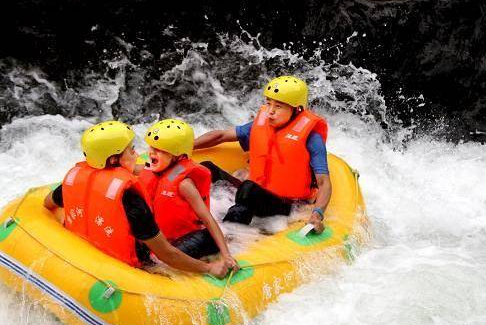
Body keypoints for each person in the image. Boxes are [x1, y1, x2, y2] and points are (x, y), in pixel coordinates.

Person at [43, 120, 230, 277]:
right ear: (114, 160)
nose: (137, 154)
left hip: (90, 249)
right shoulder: (131, 200)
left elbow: (47, 203)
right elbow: (167, 254)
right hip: (133, 262)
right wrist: (209, 268)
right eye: (131, 150)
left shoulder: (74, 180)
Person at [193, 75, 332, 232]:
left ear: (296, 109)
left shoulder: (312, 138)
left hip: (288, 205)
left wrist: (317, 214)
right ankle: (192, 219)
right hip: (254, 192)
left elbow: (324, 183)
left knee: (248, 189)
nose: (270, 111)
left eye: (278, 106)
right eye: (268, 103)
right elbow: (220, 136)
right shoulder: (260, 125)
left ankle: (223, 239)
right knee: (204, 169)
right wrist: (183, 148)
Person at [138, 118, 237, 269]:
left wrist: (226, 255)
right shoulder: (150, 170)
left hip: (189, 237)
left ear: (177, 155)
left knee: (162, 262)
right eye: (151, 147)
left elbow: (207, 219)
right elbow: (129, 168)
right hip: (161, 237)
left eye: (158, 149)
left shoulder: (185, 184)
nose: (151, 152)